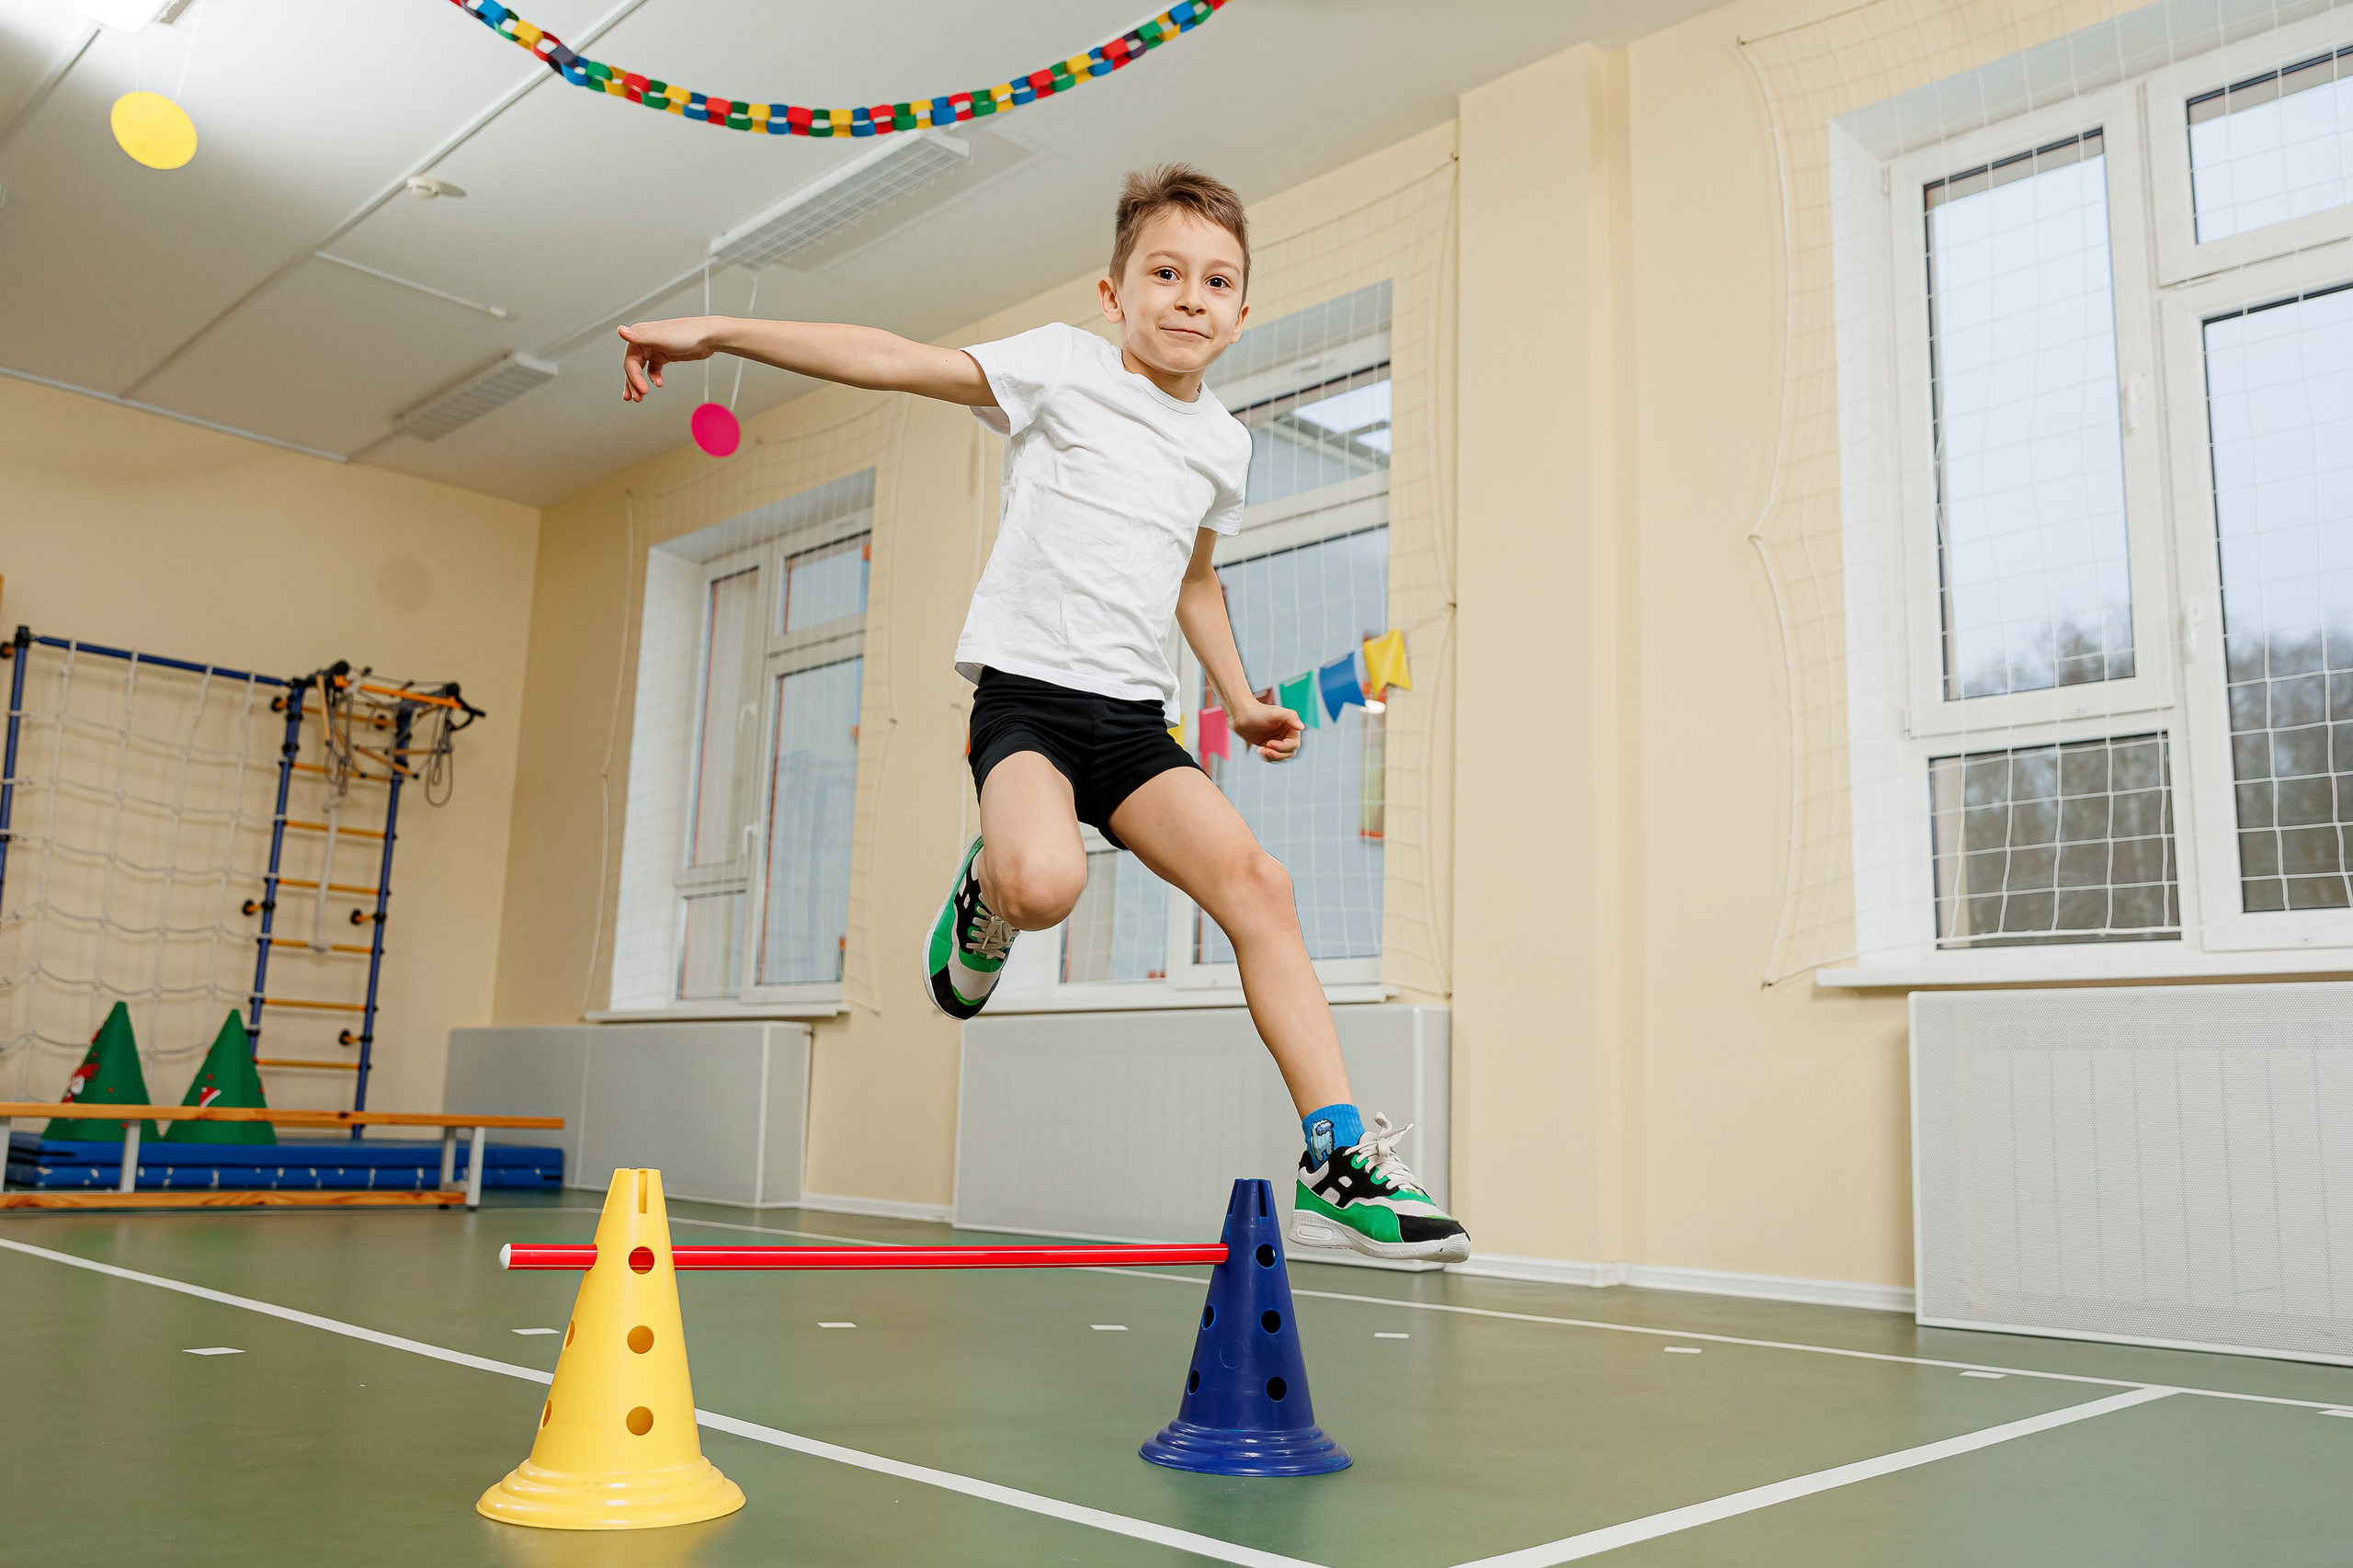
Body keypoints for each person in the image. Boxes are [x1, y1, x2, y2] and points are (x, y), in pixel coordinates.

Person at [619, 165, 1469, 1263]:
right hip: (1026, 700)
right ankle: (987, 886)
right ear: (1113, 294)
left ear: (1242, 312)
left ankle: (1337, 1157)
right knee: (1045, 885)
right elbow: (891, 358)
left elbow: (1194, 579)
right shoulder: (1060, 366)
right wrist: (721, 332)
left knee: (1261, 883)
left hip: (1133, 724)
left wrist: (1243, 699)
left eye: (1217, 281)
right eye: (1164, 273)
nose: (1190, 297)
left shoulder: (1224, 442)